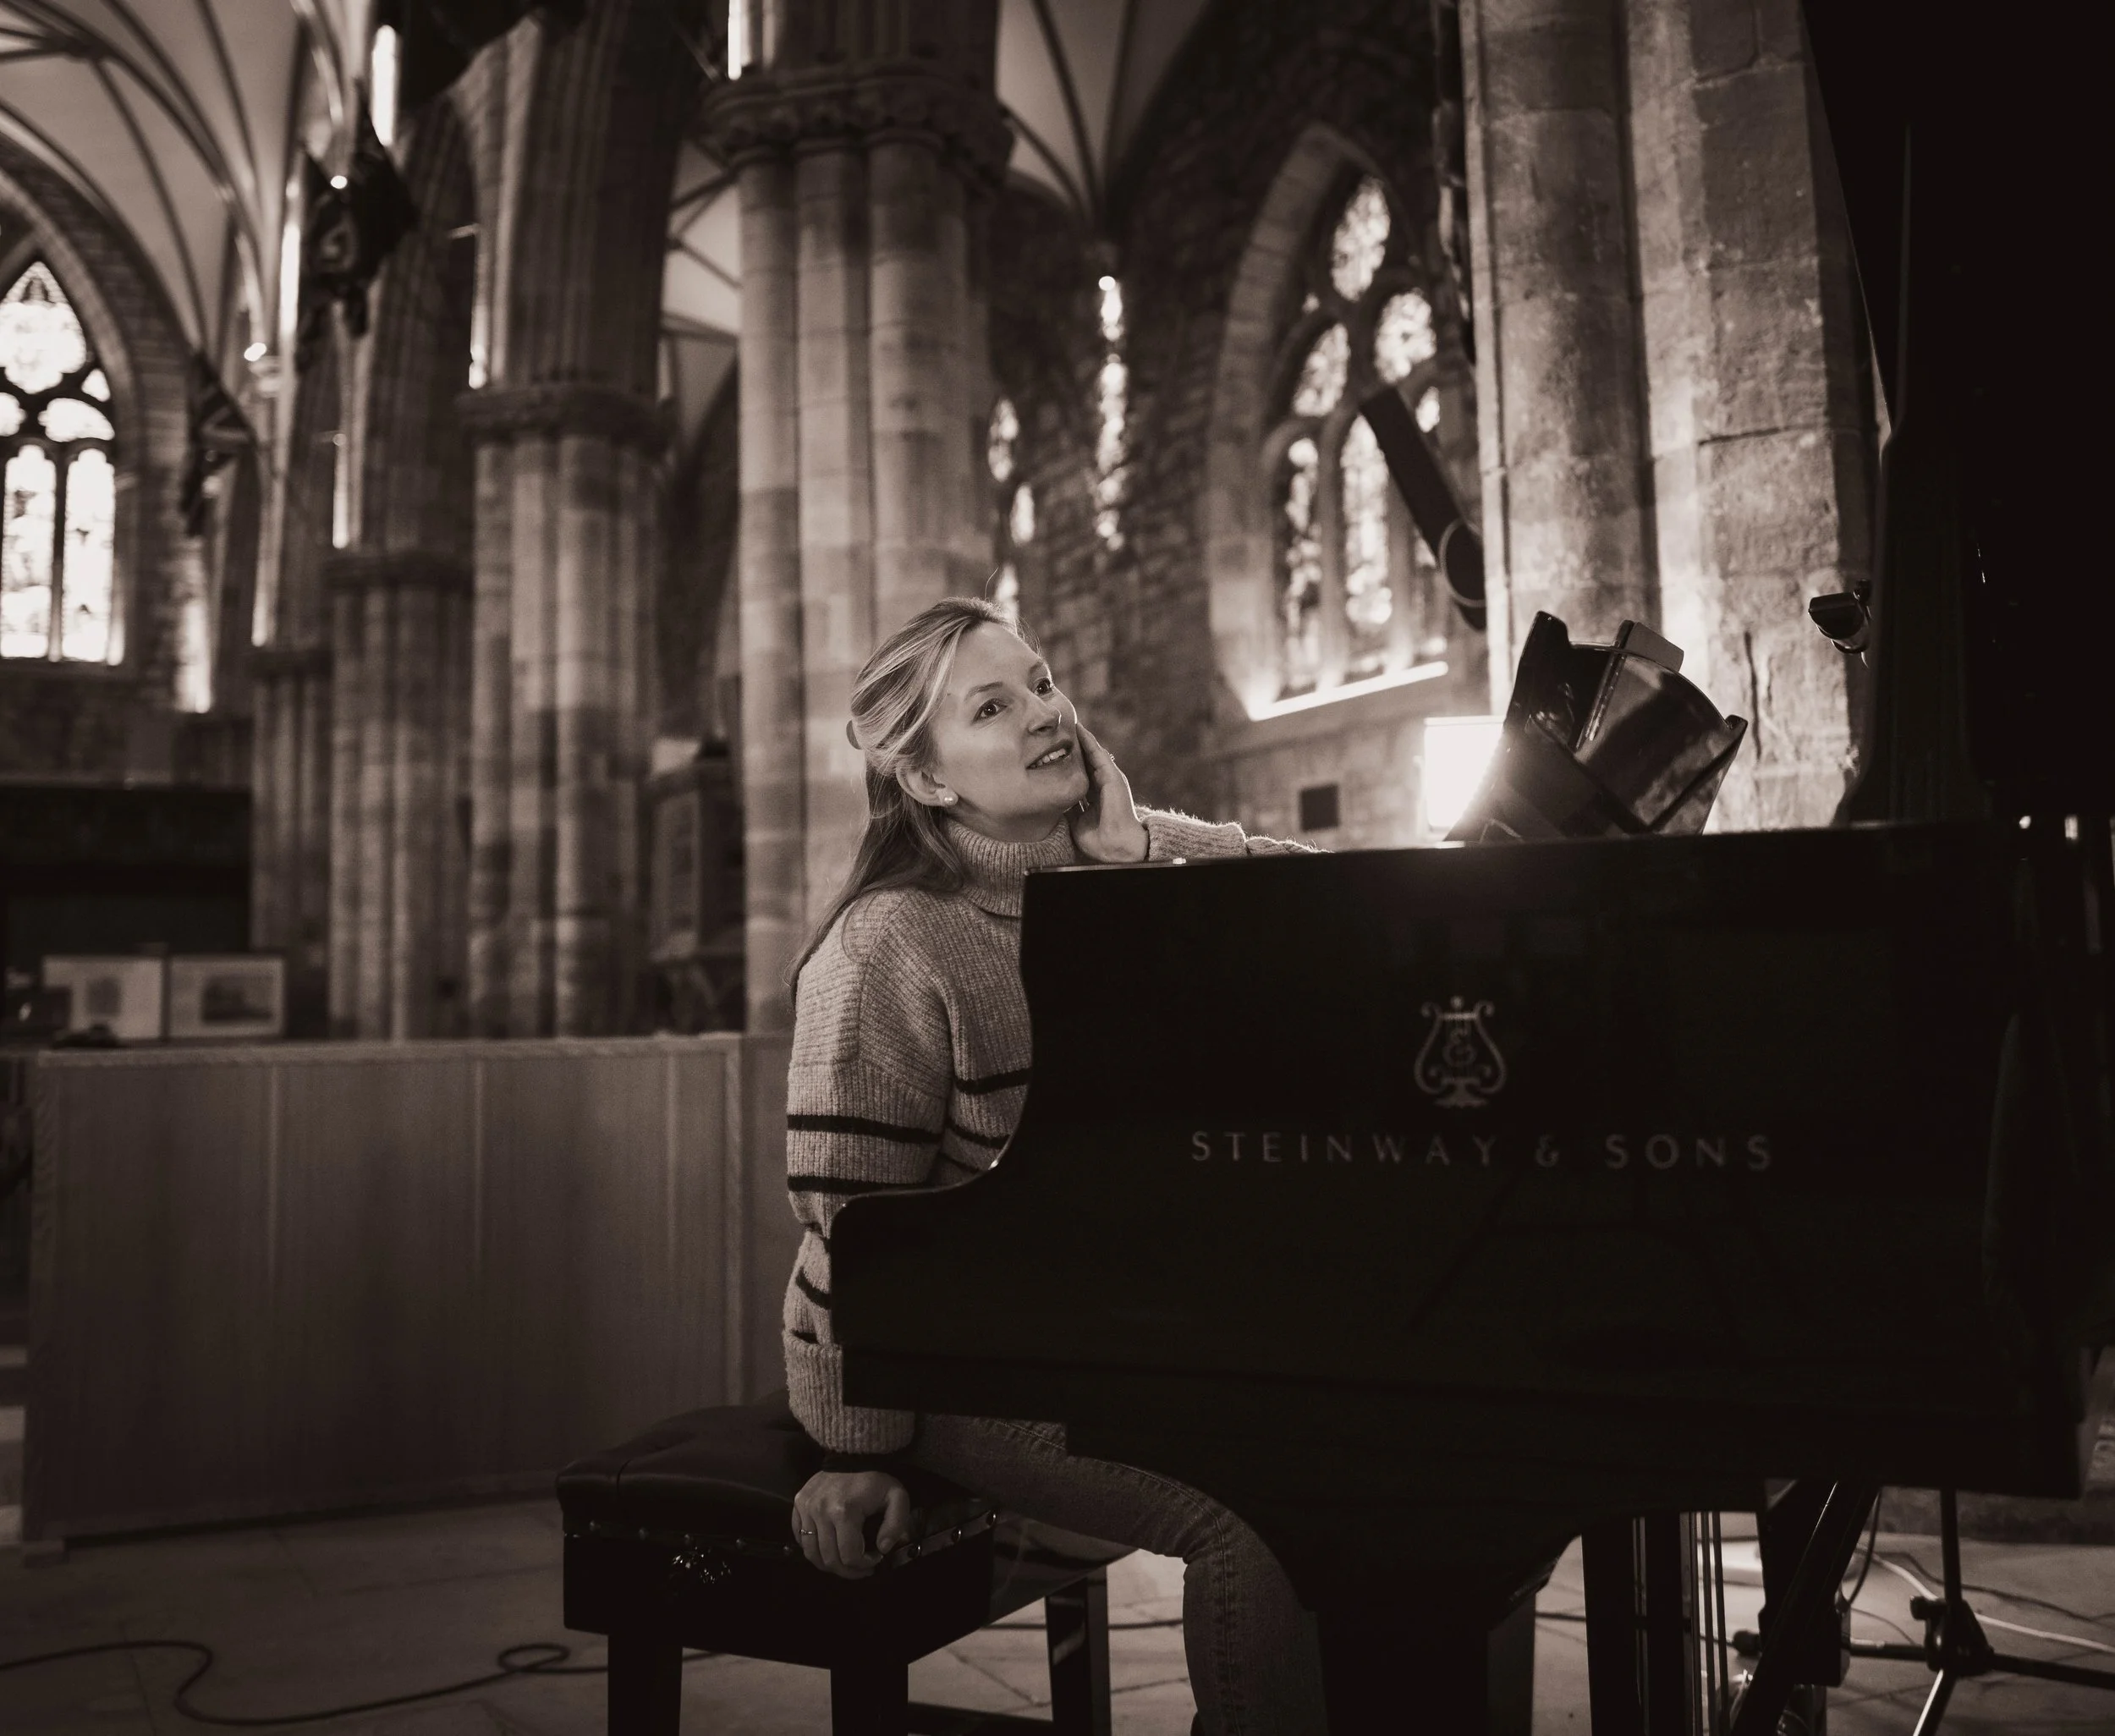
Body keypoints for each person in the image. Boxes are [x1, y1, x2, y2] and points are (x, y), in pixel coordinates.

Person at [781, 596, 1330, 1735]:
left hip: (1099, 1329)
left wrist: (1138, 849)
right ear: (927, 779)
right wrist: (852, 1447)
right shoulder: (888, 945)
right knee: (1261, 1511)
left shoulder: (1110, 880)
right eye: (993, 705)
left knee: (1387, 1461)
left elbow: (1325, 910)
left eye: (1037, 681)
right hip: (944, 1367)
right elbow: (851, 1227)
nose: (1047, 714)